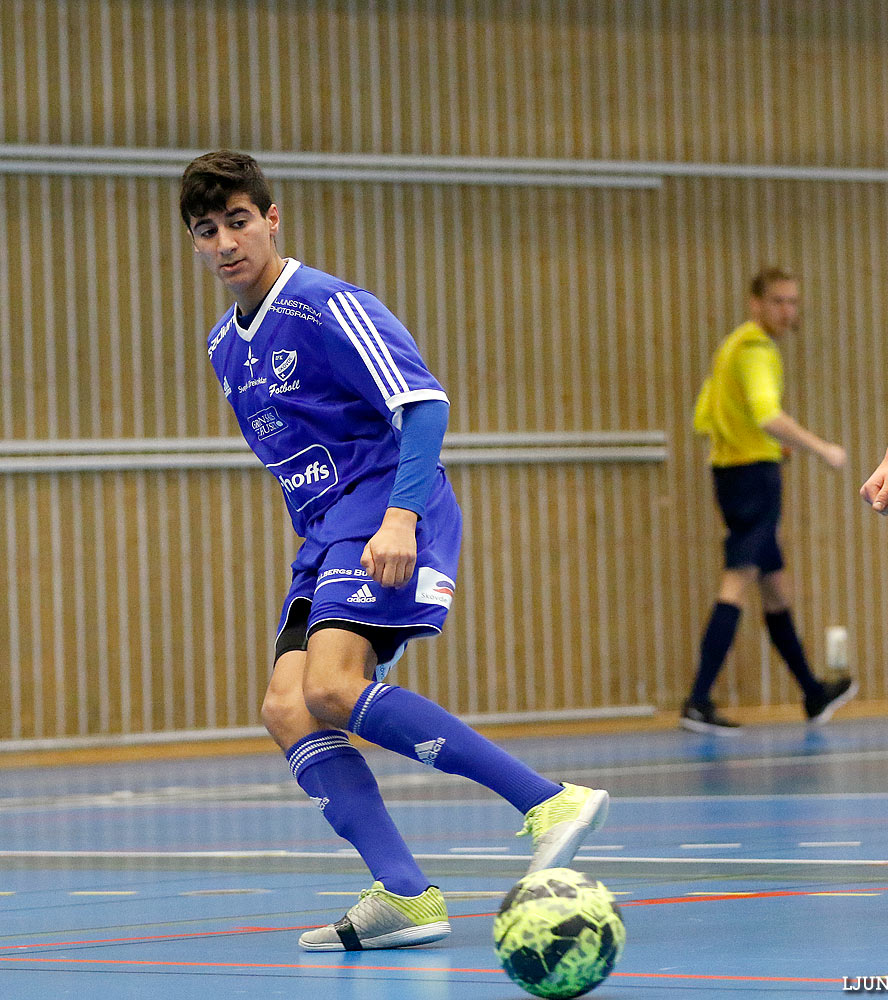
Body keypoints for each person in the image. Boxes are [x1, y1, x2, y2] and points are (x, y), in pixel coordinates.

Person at [179, 150, 608, 953]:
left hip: (384, 510)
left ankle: (547, 801)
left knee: (335, 687)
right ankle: (406, 894)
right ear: (196, 245)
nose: (227, 241)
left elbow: (425, 407)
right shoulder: (223, 348)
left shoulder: (325, 304)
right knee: (286, 707)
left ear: (271, 220)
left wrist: (400, 520)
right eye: (208, 231)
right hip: (324, 536)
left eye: (239, 221)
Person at [684, 268, 857, 734]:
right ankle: (698, 700)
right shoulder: (758, 349)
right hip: (754, 480)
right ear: (755, 303)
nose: (788, 311)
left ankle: (812, 693)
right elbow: (767, 413)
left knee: (775, 585)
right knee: (738, 580)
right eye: (778, 301)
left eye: (793, 302)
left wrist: (748, 443)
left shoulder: (732, 346)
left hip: (735, 471)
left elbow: (705, 414)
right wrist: (821, 449)